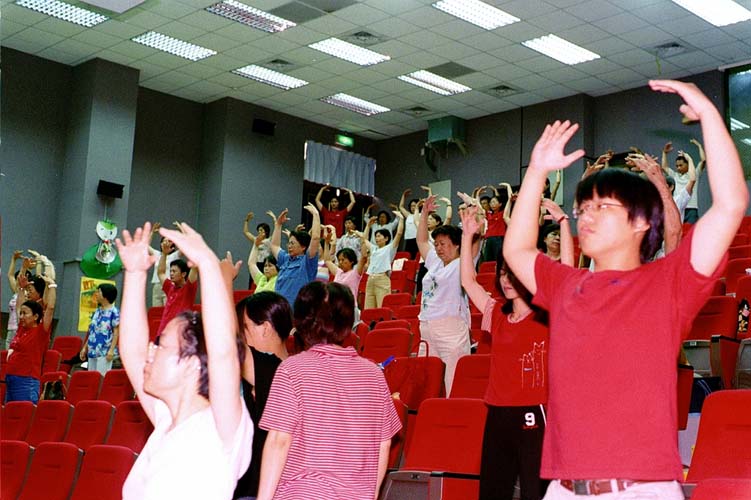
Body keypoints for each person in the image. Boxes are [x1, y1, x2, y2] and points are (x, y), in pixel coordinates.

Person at [503, 80, 748, 500]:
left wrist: (709, 114)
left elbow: (730, 204)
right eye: (583, 208)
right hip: (563, 490)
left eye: (602, 206)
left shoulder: (668, 283)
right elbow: (517, 249)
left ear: (641, 222)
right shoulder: (566, 285)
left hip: (640, 490)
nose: (586, 217)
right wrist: (537, 171)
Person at [117, 222, 252, 500]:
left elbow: (224, 353)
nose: (150, 351)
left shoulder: (220, 426)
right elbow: (133, 352)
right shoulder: (166, 420)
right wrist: (135, 274)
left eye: (162, 345)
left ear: (192, 363)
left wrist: (207, 263)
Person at [257, 281, 402, 500]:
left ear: (301, 321)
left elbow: (279, 440)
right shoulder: (374, 373)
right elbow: (384, 444)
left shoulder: (291, 369)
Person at [461, 210, 549, 500]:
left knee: (535, 492)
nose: (507, 280)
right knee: (493, 490)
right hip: (498, 412)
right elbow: (469, 282)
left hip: (534, 411)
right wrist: (467, 236)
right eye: (502, 273)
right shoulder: (498, 313)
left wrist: (561, 225)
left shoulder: (547, 315)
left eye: (513, 274)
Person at [234, 291, 292, 500]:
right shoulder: (293, 371)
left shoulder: (278, 371)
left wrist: (222, 280)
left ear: (265, 328)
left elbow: (225, 343)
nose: (240, 336)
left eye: (243, 328)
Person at [417, 195, 475, 393]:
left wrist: (473, 208)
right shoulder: (434, 261)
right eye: (436, 244)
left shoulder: (463, 262)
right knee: (427, 384)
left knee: (453, 383)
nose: (438, 248)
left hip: (451, 329)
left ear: (457, 245)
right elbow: (421, 240)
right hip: (426, 328)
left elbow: (476, 237)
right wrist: (424, 213)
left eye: (443, 244)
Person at [5, 275, 56, 403]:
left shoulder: (41, 331)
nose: (21, 316)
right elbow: (20, 306)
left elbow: (50, 308)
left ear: (35, 317)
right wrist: (22, 289)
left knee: (24, 413)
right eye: (21, 314)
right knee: (10, 413)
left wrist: (51, 285)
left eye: (25, 314)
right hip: (11, 378)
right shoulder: (21, 329)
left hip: (26, 381)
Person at [269, 204, 321, 307]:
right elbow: (274, 245)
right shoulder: (285, 259)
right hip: (280, 309)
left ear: (303, 247)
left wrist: (316, 215)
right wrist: (278, 225)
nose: (289, 246)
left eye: (292, 243)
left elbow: (315, 238)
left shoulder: (307, 262)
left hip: (298, 312)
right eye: (289, 243)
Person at [156, 236, 199, 336]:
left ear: (183, 274)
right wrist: (164, 254)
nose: (171, 274)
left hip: (179, 335)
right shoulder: (169, 287)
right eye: (170, 271)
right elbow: (161, 272)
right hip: (163, 333)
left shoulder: (189, 288)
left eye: (174, 271)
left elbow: (194, 267)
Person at [362, 210, 404, 308]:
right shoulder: (373, 248)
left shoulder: (390, 248)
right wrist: (368, 225)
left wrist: (401, 219)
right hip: (370, 279)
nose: (376, 238)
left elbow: (399, 233)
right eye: (376, 236)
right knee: (368, 309)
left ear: (386, 238)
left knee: (382, 307)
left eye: (379, 236)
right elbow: (364, 239)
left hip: (382, 279)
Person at [79, 283, 120, 375]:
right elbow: (92, 331)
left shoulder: (114, 312)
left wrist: (111, 350)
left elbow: (116, 333)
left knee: (101, 377)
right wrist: (85, 348)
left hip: (104, 351)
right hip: (92, 350)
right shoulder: (97, 311)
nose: (96, 294)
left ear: (106, 295)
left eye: (99, 292)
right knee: (91, 377)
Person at [148, 224, 181, 307]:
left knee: (168, 309)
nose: (165, 242)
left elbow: (185, 247)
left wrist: (181, 230)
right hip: (157, 286)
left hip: (169, 285)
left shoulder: (174, 255)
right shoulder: (157, 254)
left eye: (168, 241)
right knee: (156, 310)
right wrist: (152, 232)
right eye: (163, 241)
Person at [398, 188, 420, 258]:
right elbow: (401, 207)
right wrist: (403, 195)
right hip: (408, 239)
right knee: (408, 257)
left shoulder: (421, 214)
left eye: (414, 205)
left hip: (417, 239)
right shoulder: (408, 215)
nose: (412, 207)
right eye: (411, 206)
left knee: (417, 257)